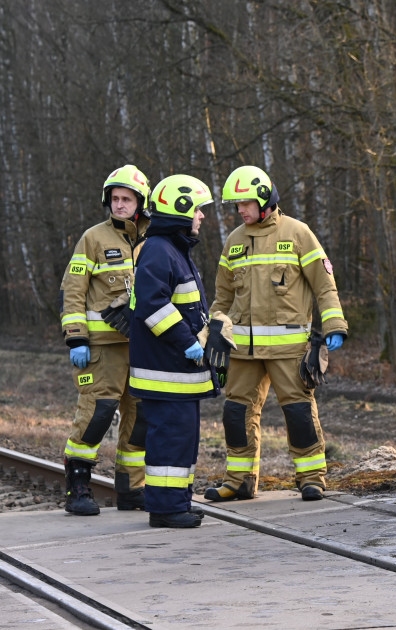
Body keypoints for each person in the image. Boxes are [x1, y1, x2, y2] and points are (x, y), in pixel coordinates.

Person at [204, 165, 348, 503]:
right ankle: (238, 481)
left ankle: (312, 479)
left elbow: (324, 287)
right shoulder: (234, 241)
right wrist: (215, 329)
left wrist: (334, 326)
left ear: (265, 200)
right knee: (236, 415)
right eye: (236, 204)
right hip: (242, 352)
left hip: (289, 350)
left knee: (299, 413)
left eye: (245, 203)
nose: (240, 210)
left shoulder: (298, 233)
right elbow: (223, 298)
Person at [58, 165, 151, 515]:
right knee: (97, 414)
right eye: (115, 199)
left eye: (126, 199)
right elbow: (72, 291)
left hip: (142, 348)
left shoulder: (154, 240)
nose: (120, 205)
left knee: (139, 418)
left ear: (140, 202)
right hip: (101, 350)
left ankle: (131, 489)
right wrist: (76, 338)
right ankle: (78, 488)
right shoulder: (93, 239)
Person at [128, 173, 218, 528]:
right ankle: (165, 510)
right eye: (198, 209)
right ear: (181, 210)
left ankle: (175, 502)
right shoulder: (159, 251)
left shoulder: (172, 249)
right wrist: (189, 343)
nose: (202, 216)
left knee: (181, 442)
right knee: (169, 441)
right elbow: (153, 306)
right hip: (167, 373)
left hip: (178, 374)